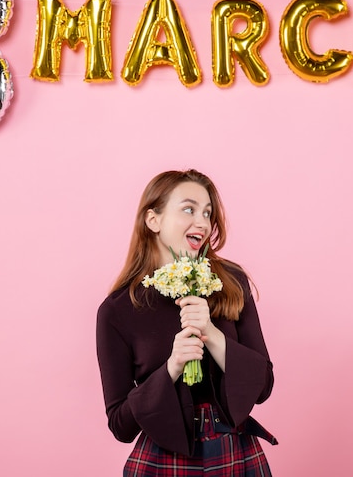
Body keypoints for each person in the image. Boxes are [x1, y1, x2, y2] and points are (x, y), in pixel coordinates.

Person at [96, 169, 277, 476]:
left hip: (234, 452)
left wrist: (212, 335)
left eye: (207, 213)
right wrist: (172, 366)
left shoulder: (230, 282)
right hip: (164, 458)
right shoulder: (118, 309)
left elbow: (264, 386)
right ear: (153, 220)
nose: (203, 223)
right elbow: (121, 424)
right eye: (189, 209)